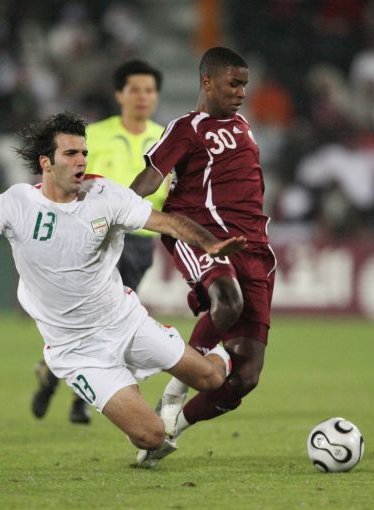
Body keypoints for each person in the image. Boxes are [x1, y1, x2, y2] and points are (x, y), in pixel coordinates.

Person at [0, 112, 246, 466]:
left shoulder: (105, 194)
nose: (82, 161)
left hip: (124, 322)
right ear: (46, 163)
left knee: (212, 379)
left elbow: (167, 222)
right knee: (152, 437)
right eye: (71, 153)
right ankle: (132, 404)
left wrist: (209, 243)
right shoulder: (16, 203)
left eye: (84, 153)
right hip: (76, 350)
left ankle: (194, 373)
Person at [129, 47, 276, 467]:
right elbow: (152, 177)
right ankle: (176, 389)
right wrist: (115, 207)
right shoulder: (187, 127)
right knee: (227, 301)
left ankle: (170, 427)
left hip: (254, 247)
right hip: (202, 233)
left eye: (245, 85)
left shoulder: (244, 126)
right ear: (207, 82)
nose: (242, 92)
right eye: (234, 83)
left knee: (245, 376)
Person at [30, 60, 168, 424]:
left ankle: (66, 385)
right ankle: (60, 382)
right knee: (85, 318)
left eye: (149, 90)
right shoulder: (94, 136)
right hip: (93, 237)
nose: (142, 97)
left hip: (138, 241)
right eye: (135, 90)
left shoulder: (166, 140)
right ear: (119, 94)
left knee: (112, 321)